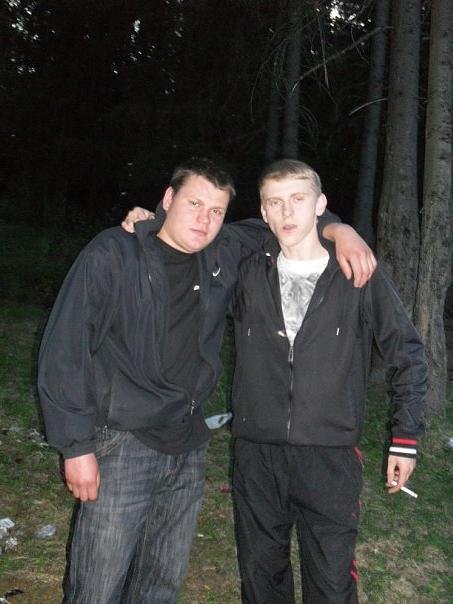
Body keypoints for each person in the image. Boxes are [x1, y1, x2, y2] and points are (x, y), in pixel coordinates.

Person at [38, 157, 376, 603]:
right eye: (194, 204)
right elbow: (65, 352)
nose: (204, 219)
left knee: (161, 581)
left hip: (188, 445)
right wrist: (76, 447)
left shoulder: (222, 253)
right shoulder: (113, 254)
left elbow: (289, 221)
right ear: (168, 199)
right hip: (122, 443)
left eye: (216, 211)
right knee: (98, 582)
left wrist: (340, 230)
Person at [230, 159, 426, 604]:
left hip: (330, 456)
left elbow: (408, 353)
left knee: (332, 583)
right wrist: (152, 220)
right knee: (260, 577)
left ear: (320, 204)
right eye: (274, 202)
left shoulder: (357, 272)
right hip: (256, 454)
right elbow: (195, 239)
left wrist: (405, 439)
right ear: (262, 211)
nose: (286, 212)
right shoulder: (247, 270)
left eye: (298, 199)